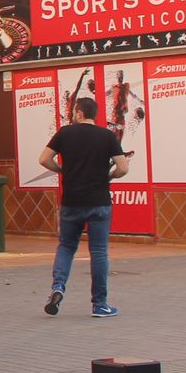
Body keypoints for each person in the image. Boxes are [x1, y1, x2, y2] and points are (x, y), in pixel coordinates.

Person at [39, 97, 128, 317]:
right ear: (94, 114)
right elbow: (123, 168)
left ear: (79, 112)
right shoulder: (107, 136)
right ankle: (99, 304)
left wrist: (62, 170)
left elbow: (44, 160)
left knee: (67, 247)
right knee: (98, 252)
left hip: (71, 200)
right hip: (99, 201)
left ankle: (58, 287)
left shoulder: (65, 133)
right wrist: (109, 176)